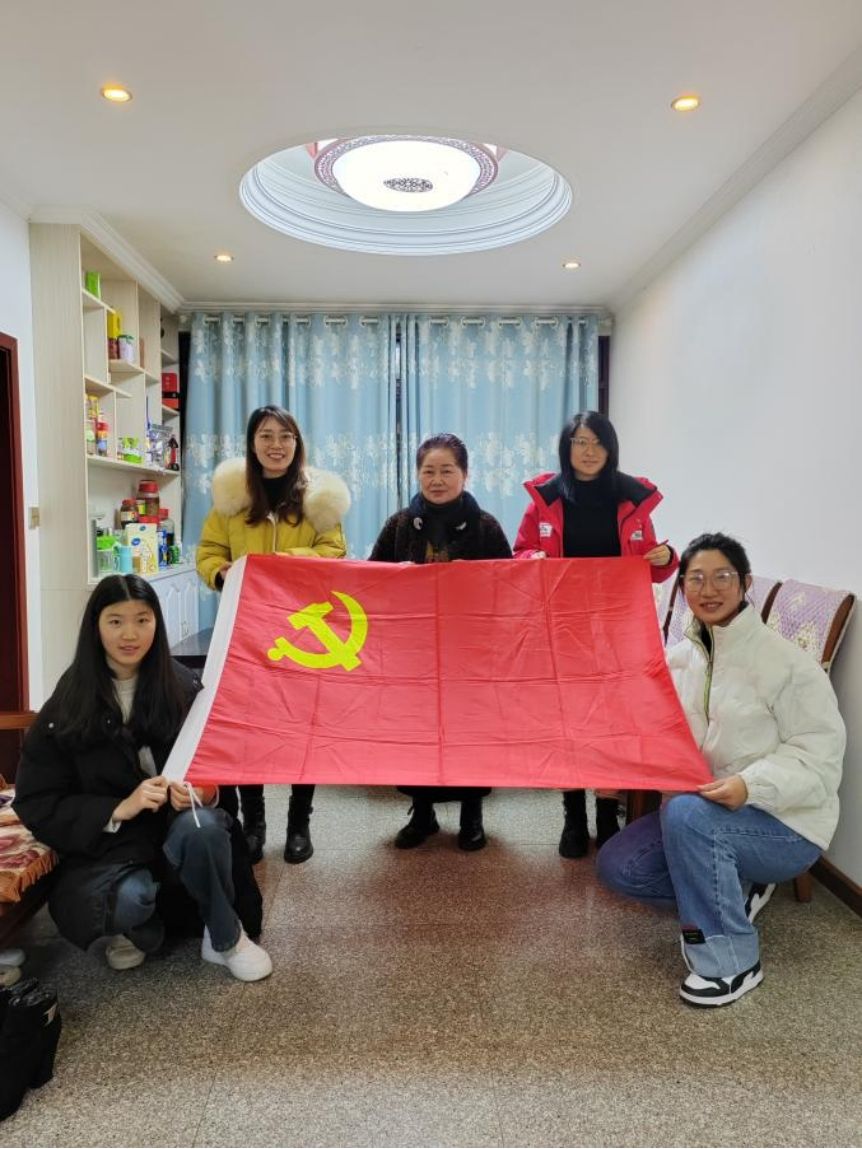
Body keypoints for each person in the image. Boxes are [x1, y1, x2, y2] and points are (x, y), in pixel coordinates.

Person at [597, 533, 846, 1007]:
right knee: (620, 868)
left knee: (686, 815)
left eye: (721, 577)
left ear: (745, 583)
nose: (708, 590)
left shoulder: (789, 666)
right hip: (704, 816)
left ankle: (730, 960)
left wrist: (749, 786)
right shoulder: (678, 660)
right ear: (682, 588)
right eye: (695, 579)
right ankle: (736, 887)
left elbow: (820, 760)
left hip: (786, 825)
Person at [13, 575, 272, 982]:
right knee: (129, 900)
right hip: (112, 850)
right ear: (96, 626)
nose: (130, 634)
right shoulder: (68, 703)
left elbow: (219, 775)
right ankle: (139, 928)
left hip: (180, 835)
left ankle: (225, 938)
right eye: (115, 621)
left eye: (142, 620)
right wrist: (117, 808)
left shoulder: (185, 688)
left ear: (157, 623)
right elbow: (36, 799)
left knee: (204, 827)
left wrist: (205, 791)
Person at [514, 411, 677, 858]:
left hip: (616, 628)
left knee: (610, 723)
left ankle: (607, 813)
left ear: (611, 449)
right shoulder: (545, 499)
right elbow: (521, 553)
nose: (589, 452)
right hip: (561, 628)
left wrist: (666, 557)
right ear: (566, 448)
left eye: (598, 443)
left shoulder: (632, 499)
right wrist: (532, 561)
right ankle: (573, 816)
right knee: (566, 722)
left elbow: (652, 565)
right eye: (580, 442)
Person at [196, 405, 350, 865]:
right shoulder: (232, 498)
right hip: (247, 631)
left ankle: (299, 824)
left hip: (304, 631)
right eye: (265, 436)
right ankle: (253, 824)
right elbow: (207, 553)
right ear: (252, 443)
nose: (276, 445)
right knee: (249, 729)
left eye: (285, 436)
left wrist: (283, 565)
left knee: (304, 728)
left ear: (297, 443)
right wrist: (222, 573)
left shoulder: (320, 498)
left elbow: (335, 551)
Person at [370, 432, 512, 851]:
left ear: (464, 474)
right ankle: (423, 813)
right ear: (417, 475)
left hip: (470, 652)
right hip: (413, 652)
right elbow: (372, 579)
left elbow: (509, 585)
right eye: (428, 471)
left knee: (469, 733)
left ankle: (472, 814)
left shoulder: (486, 526)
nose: (437, 479)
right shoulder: (399, 524)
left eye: (446, 470)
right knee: (417, 732)